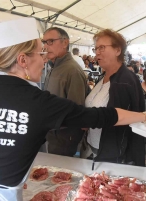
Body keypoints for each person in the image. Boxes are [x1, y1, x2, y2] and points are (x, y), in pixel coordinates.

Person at [0, 18, 146, 201]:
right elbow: (101, 116)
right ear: (23, 61)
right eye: (40, 53)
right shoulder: (38, 102)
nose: (44, 58)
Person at [81, 29, 146, 166]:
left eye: (102, 47)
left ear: (118, 50)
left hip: (114, 155)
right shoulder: (104, 77)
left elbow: (130, 118)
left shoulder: (125, 81)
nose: (97, 52)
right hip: (95, 147)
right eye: (96, 48)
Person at [42, 27, 88, 156]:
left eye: (50, 41)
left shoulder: (72, 70)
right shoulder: (54, 66)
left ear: (65, 42)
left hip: (63, 134)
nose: (45, 46)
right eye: (44, 42)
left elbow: (76, 109)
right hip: (52, 131)